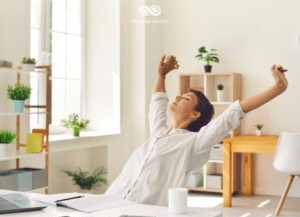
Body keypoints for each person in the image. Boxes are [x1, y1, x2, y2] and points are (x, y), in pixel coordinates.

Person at [104, 54, 288, 207]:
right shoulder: (159, 134)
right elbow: (157, 103)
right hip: (111, 199)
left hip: (142, 211)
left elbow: (233, 113)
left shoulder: (194, 143)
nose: (177, 96)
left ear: (195, 114)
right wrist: (161, 75)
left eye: (185, 98)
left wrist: (278, 88)